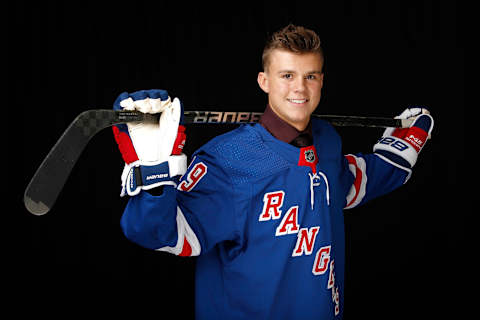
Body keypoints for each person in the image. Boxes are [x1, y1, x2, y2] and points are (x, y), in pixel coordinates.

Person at [111, 24, 433, 319]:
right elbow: (158, 232)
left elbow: (349, 184)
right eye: (287, 75)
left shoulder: (328, 143)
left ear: (322, 81)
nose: (300, 89)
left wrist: (399, 153)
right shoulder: (226, 159)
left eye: (311, 76)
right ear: (264, 81)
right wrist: (154, 175)